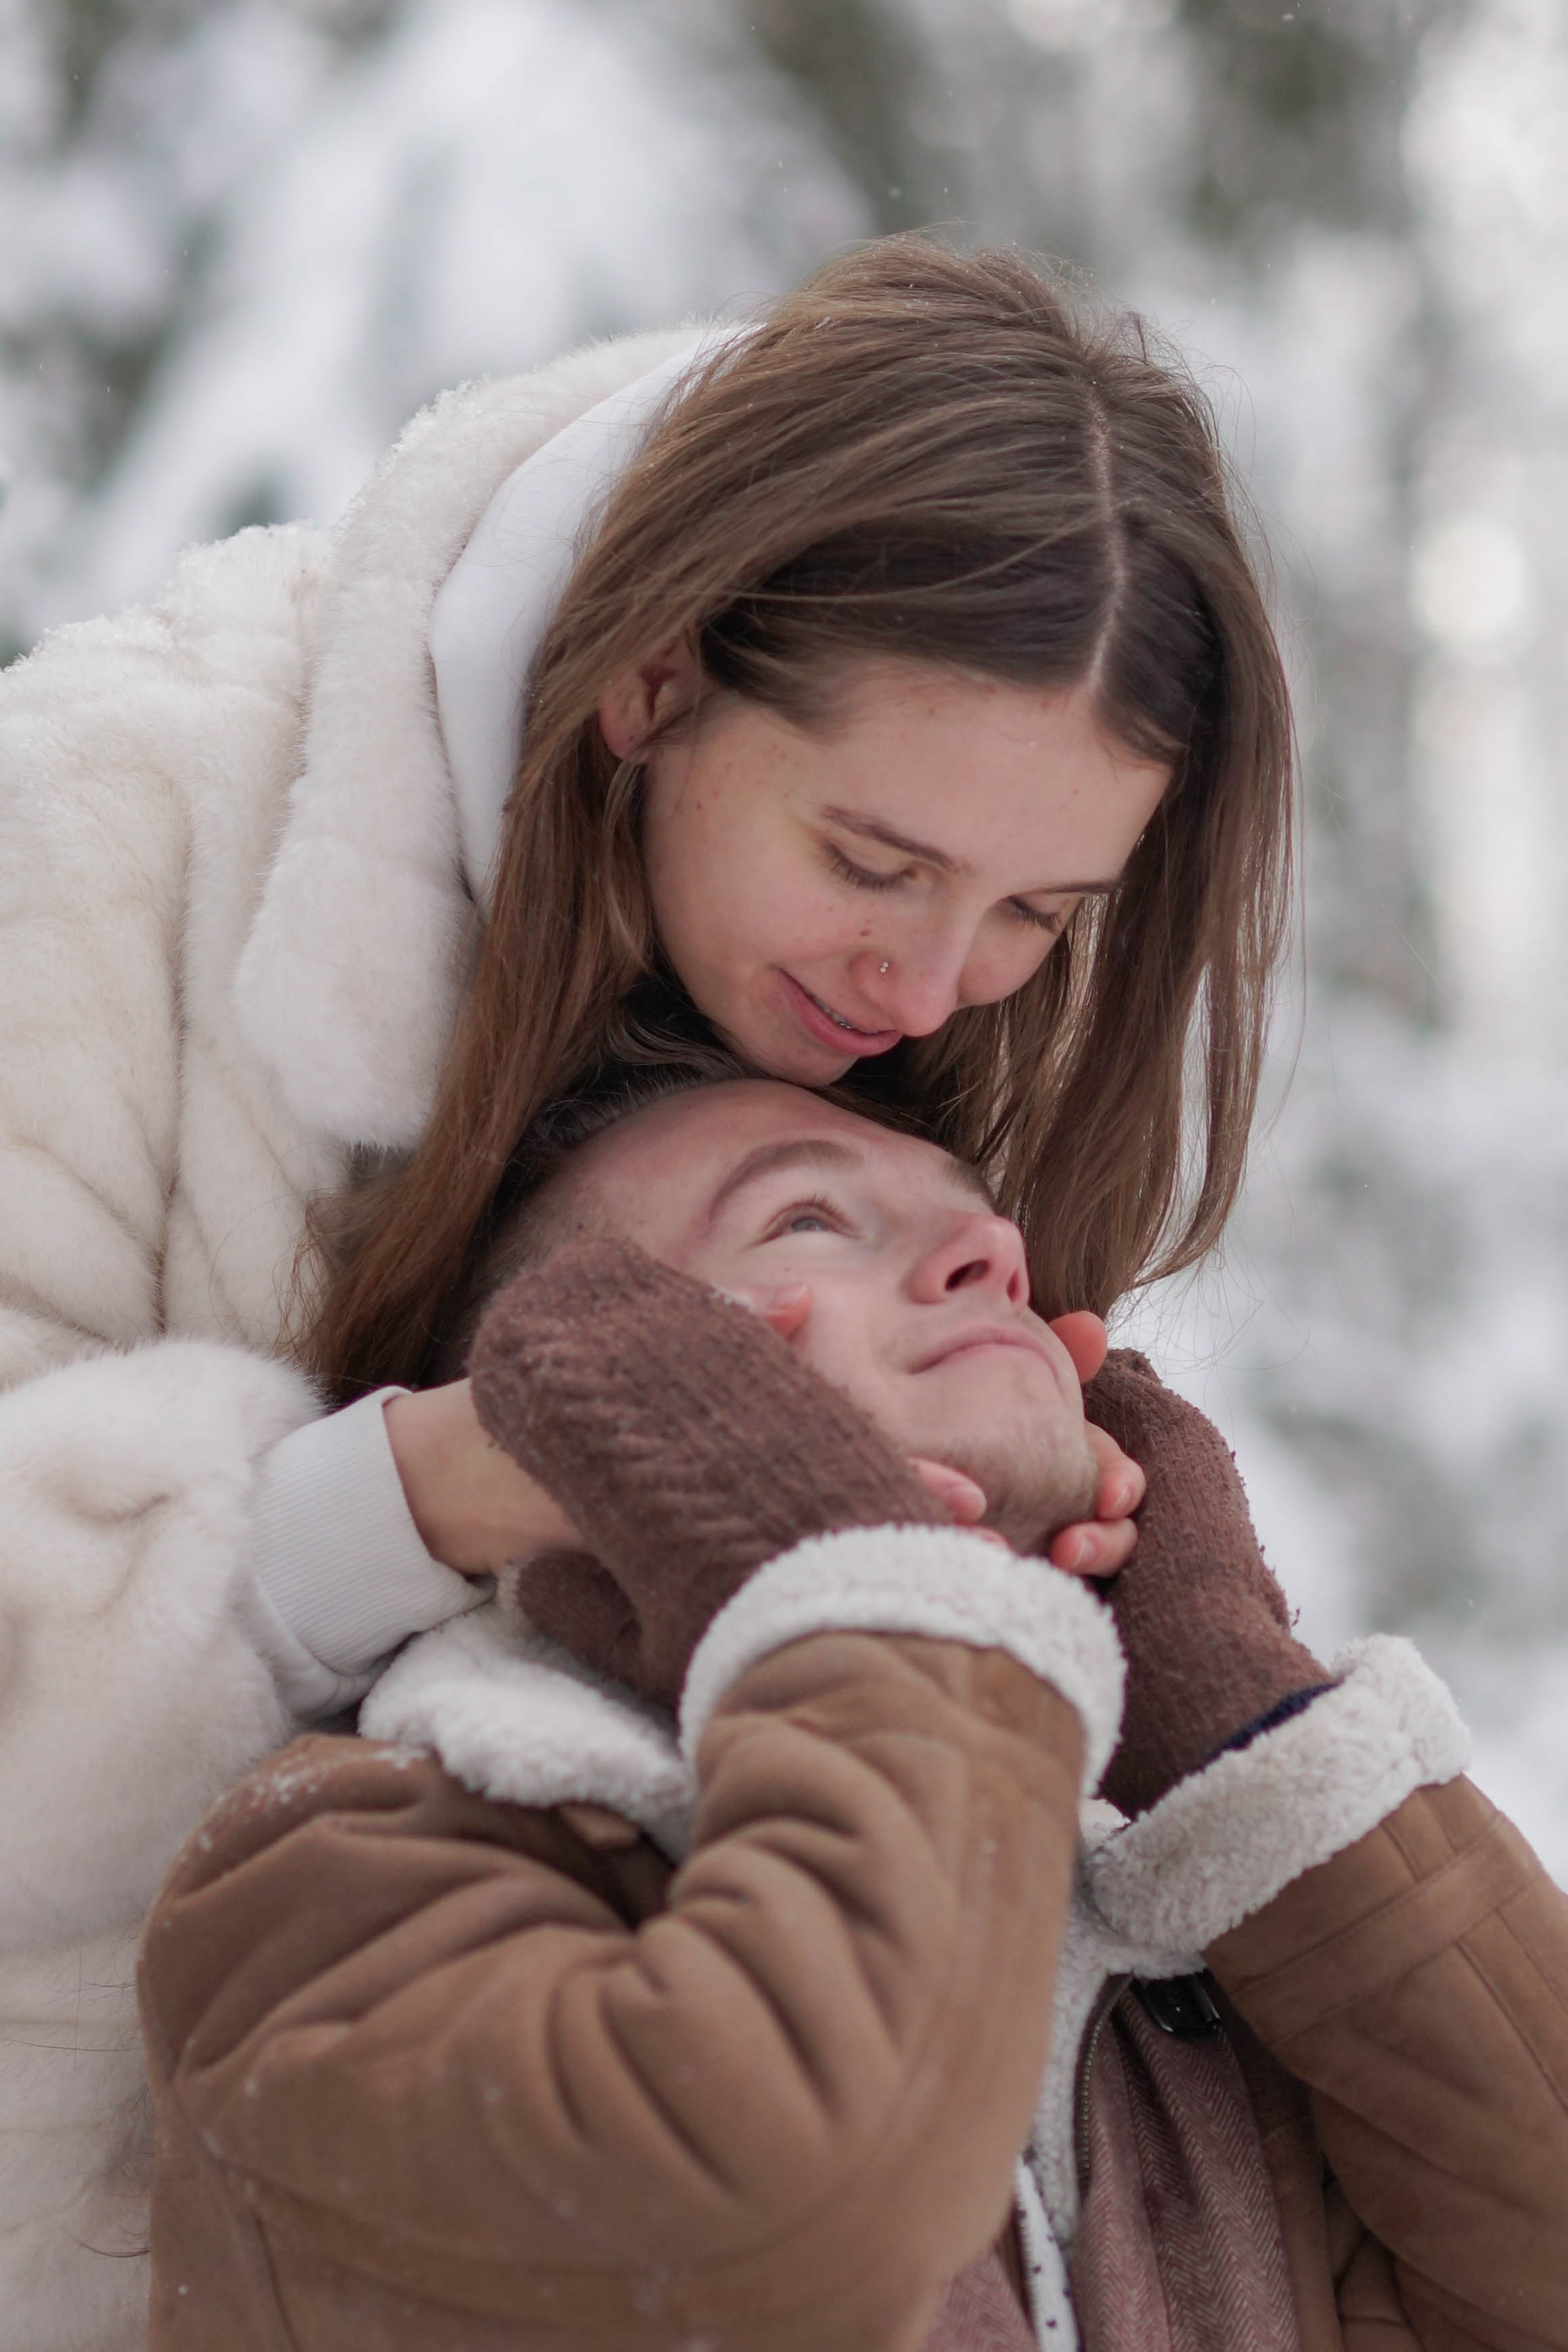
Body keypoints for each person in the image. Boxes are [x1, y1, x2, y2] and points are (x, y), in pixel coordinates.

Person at [0, 233, 1289, 2347]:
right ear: (653, 676)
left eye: (1038, 909)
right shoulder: (100, 836)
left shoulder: (910, 1022)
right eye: (871, 863)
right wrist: (419, 1495)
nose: (924, 980)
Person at [138, 1072, 1568, 2351]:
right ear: (584, 1397)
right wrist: (857, 1585)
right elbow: (783, 2243)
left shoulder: (1199, 1948)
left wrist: (1232, 1707)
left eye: (980, 1227)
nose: (994, 1255)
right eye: (810, 1219)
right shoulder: (337, 1883)